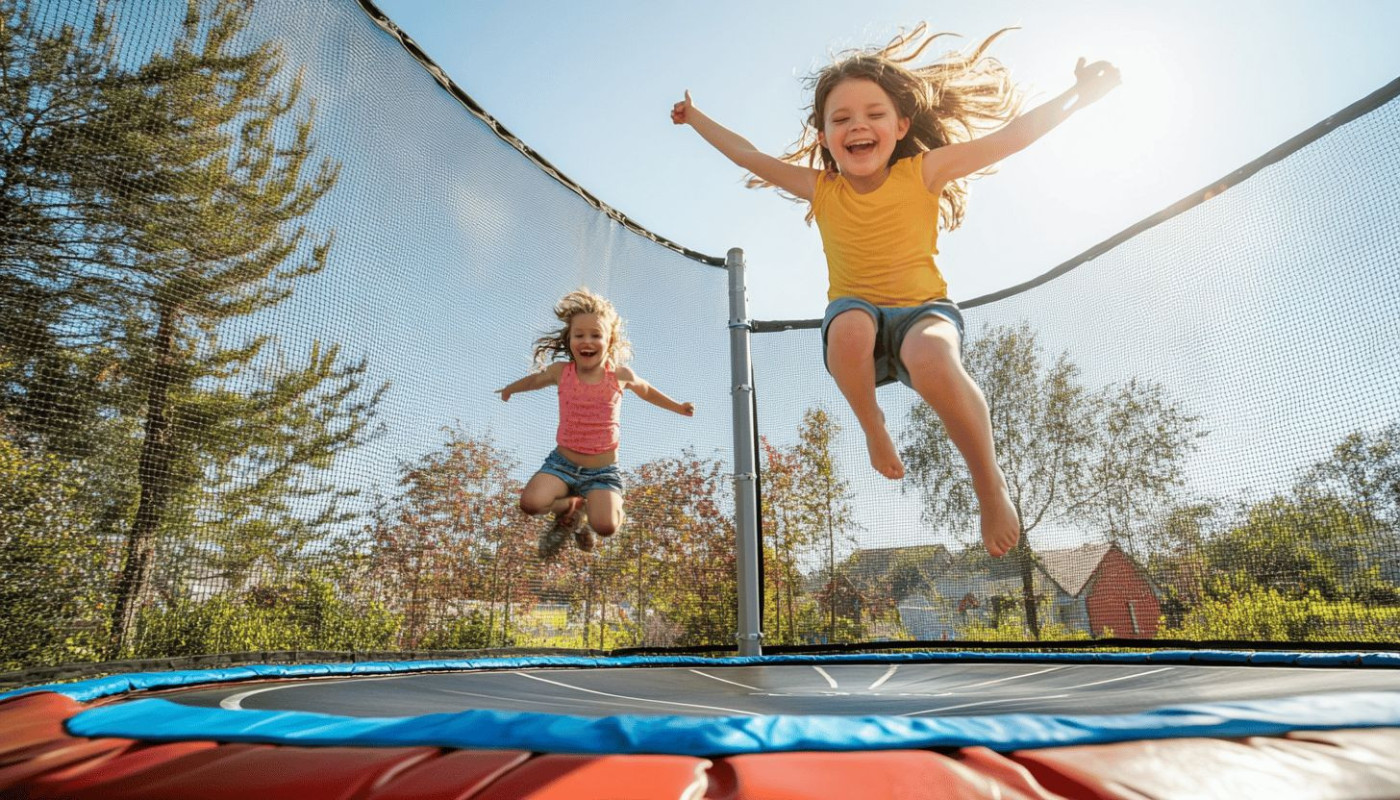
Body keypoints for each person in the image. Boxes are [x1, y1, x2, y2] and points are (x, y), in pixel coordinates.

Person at [671, 24, 1120, 558]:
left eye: (873, 115)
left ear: (902, 124)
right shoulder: (823, 188)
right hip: (854, 308)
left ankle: (989, 483)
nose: (857, 126)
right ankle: (872, 424)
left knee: (932, 356)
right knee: (851, 327)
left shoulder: (923, 171)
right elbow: (749, 156)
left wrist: (1077, 97)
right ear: (823, 137)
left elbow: (1010, 137)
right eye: (841, 119)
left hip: (924, 311)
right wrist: (695, 118)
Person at [497, 288, 695, 559]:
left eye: (596, 335)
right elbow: (534, 380)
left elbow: (646, 390)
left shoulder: (619, 375)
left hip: (602, 471)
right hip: (561, 465)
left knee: (606, 527)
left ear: (609, 339)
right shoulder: (561, 372)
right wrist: (511, 388)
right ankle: (573, 506)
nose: (586, 341)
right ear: (569, 339)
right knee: (530, 503)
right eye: (579, 335)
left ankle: (594, 510)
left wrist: (677, 407)